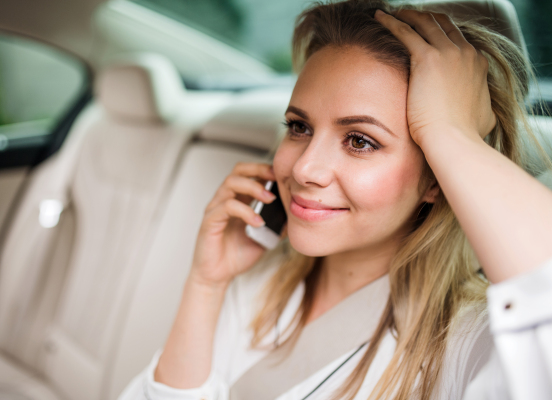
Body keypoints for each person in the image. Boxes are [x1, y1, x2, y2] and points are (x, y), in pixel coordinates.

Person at [119, 1, 552, 399]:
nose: (304, 168)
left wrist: (450, 134)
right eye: (299, 127)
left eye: (360, 141)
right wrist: (206, 284)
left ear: (438, 178)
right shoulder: (257, 282)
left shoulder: (471, 342)